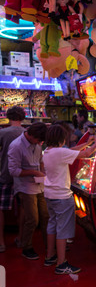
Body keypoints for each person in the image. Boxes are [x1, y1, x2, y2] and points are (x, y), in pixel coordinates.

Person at [43, 124, 96, 274]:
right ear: (62, 139)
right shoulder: (60, 152)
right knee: (62, 230)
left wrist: (87, 142)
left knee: (52, 225)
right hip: (62, 196)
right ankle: (61, 264)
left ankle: (50, 256)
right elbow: (86, 154)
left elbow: (70, 151)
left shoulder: (48, 151)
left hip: (49, 194)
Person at [8, 121, 49, 260]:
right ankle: (27, 247)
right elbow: (13, 170)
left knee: (46, 216)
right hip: (25, 187)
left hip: (39, 184)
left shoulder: (36, 143)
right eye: (38, 140)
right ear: (31, 135)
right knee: (32, 219)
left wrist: (42, 170)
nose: (40, 142)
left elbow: (40, 159)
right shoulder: (16, 146)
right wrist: (34, 172)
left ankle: (49, 244)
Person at [0, 106, 26, 252]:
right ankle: (21, 239)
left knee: (0, 209)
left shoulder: (2, 133)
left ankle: (1, 243)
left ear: (8, 116)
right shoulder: (27, 133)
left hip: (5, 174)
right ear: (22, 117)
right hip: (23, 175)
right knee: (22, 207)